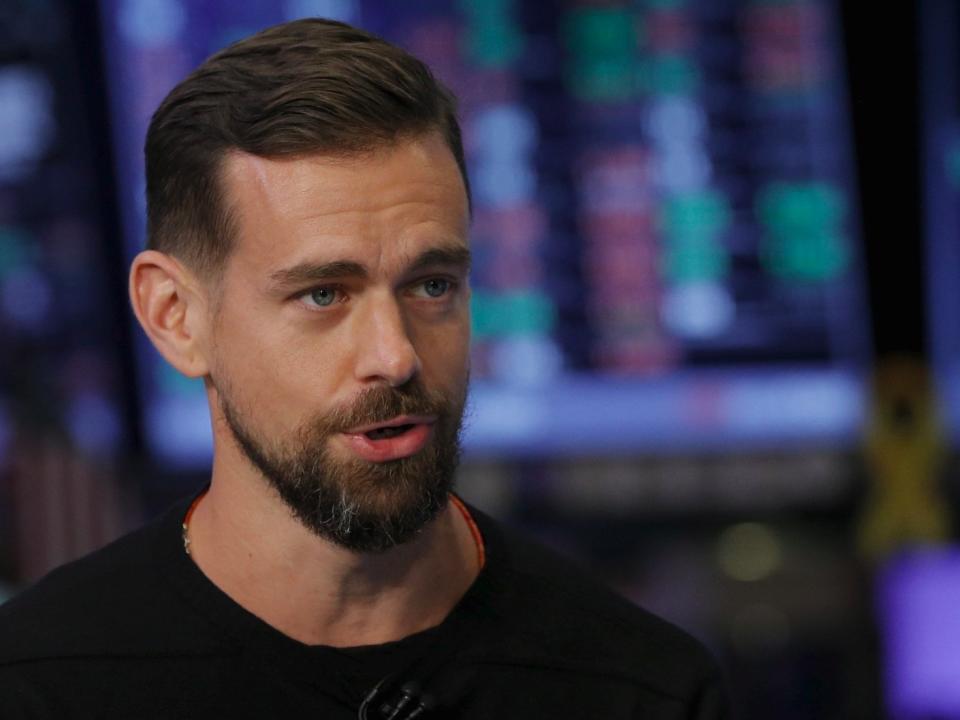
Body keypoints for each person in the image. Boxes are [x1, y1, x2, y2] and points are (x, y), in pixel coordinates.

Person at [0, 18, 729, 719]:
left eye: (432, 285)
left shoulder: (643, 689)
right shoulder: (40, 685)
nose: (396, 355)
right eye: (323, 294)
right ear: (174, 316)